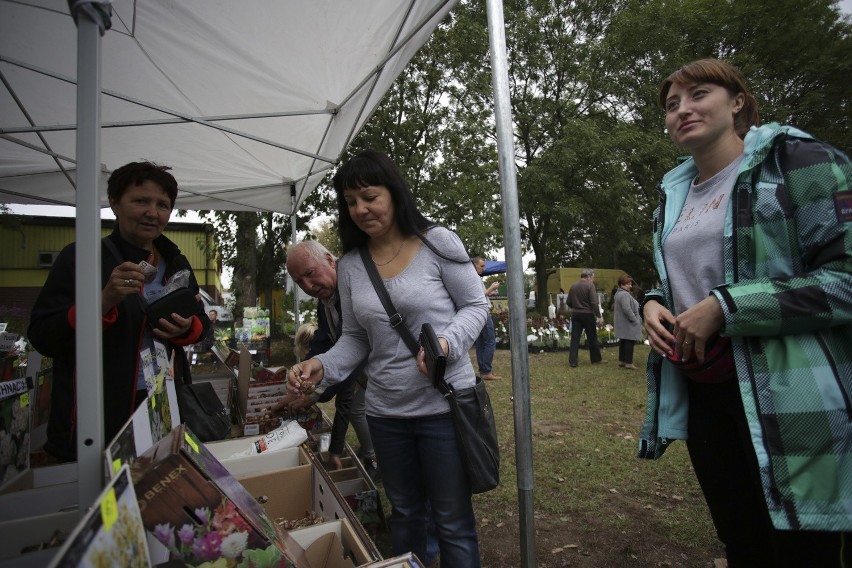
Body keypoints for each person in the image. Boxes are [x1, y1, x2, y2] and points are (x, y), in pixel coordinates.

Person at [639, 58, 852, 567]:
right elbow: (689, 276)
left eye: (699, 95)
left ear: (738, 102)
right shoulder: (673, 194)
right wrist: (653, 300)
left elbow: (845, 281)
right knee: (742, 541)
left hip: (792, 391)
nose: (682, 110)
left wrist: (727, 307)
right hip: (706, 388)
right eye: (672, 105)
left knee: (802, 547)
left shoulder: (800, 162)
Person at [286, 149, 489, 567]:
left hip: (443, 406)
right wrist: (320, 364)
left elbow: (475, 306)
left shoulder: (438, 242)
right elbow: (355, 338)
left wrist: (447, 344)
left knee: (452, 522)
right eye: (350, 202)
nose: (360, 208)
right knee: (407, 516)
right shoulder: (351, 265)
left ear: (394, 193)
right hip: (386, 414)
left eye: (369, 196)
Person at [28, 161, 210, 462]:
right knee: (105, 505)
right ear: (114, 203)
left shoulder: (177, 263)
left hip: (161, 409)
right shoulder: (82, 258)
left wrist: (187, 328)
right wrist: (102, 302)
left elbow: (204, 326)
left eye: (163, 204)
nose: (152, 212)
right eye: (140, 201)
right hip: (96, 419)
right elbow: (42, 335)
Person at [281, 240, 379, 481]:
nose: (307, 286)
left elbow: (354, 355)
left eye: (310, 274)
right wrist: (308, 377)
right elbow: (325, 343)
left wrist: (317, 391)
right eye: (299, 282)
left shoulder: (358, 288)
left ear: (329, 260)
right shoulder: (325, 300)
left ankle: (375, 458)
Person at [471, 256, 502, 380]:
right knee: (490, 341)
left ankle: (484, 370)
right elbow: (478, 296)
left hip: (478, 312)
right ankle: (486, 371)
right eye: (482, 266)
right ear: (474, 265)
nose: (484, 268)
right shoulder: (474, 278)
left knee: (481, 342)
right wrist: (491, 288)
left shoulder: (473, 278)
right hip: (482, 312)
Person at [567, 269, 603, 367]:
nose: (593, 280)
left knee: (575, 338)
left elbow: (568, 302)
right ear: (588, 277)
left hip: (576, 314)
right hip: (587, 314)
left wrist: (576, 306)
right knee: (592, 337)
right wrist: (599, 316)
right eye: (593, 277)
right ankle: (596, 359)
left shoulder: (573, 286)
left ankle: (573, 361)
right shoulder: (590, 286)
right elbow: (594, 303)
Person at [612, 274, 641, 370]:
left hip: (623, 323)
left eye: (630, 284)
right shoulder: (624, 294)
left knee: (623, 341)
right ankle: (628, 362)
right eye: (628, 284)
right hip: (628, 323)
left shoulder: (618, 293)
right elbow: (627, 309)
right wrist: (635, 319)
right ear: (622, 284)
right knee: (629, 341)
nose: (630, 286)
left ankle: (622, 360)